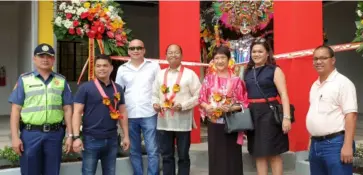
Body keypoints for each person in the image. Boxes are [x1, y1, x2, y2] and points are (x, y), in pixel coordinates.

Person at [8, 43, 73, 175]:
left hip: (54, 135)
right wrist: (15, 137)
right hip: (30, 134)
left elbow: (67, 109)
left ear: (53, 59)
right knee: (29, 171)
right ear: (34, 59)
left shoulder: (61, 81)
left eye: (49, 56)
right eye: (41, 56)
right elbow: (15, 111)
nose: (45, 59)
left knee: (52, 171)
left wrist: (70, 135)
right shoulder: (24, 80)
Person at [72, 54, 130, 175]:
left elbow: (123, 111)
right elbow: (76, 112)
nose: (101, 69)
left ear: (111, 68)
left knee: (110, 172)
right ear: (94, 68)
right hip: (91, 139)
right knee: (88, 172)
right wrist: (76, 137)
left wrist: (126, 135)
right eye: (98, 66)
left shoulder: (118, 88)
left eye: (105, 66)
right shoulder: (85, 88)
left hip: (112, 138)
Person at [244, 37, 291, 175]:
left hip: (270, 115)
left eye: (260, 51)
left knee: (273, 153)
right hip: (253, 115)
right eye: (254, 51)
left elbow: (284, 94)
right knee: (258, 153)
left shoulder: (274, 70)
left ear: (267, 53)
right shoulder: (247, 71)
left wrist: (286, 117)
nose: (256, 54)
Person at [307, 45, 357, 175]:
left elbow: (351, 116)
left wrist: (347, 146)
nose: (318, 62)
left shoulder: (343, 83)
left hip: (335, 144)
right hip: (316, 144)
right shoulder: (315, 85)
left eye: (323, 58)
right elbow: (315, 113)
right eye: (316, 58)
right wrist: (311, 140)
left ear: (333, 60)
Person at [199, 46, 249, 175]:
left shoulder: (236, 80)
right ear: (213, 61)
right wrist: (207, 106)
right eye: (217, 58)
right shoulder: (208, 79)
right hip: (214, 124)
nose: (220, 61)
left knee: (232, 157)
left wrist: (231, 107)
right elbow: (201, 100)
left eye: (223, 58)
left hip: (231, 123)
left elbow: (244, 102)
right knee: (216, 157)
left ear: (229, 60)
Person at [152, 44, 201, 175]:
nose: (173, 55)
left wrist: (183, 105)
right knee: (166, 156)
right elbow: (154, 94)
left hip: (182, 122)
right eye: (170, 52)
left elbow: (199, 95)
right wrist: (155, 104)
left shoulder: (190, 74)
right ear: (166, 55)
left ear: (182, 55)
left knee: (183, 156)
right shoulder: (160, 74)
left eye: (176, 52)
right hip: (164, 122)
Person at [115, 39, 160, 175]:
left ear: (144, 50)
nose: (136, 51)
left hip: (149, 113)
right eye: (133, 48)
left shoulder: (154, 66)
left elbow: (159, 88)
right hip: (130, 114)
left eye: (139, 48)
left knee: (152, 150)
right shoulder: (122, 69)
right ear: (128, 51)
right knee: (134, 150)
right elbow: (118, 92)